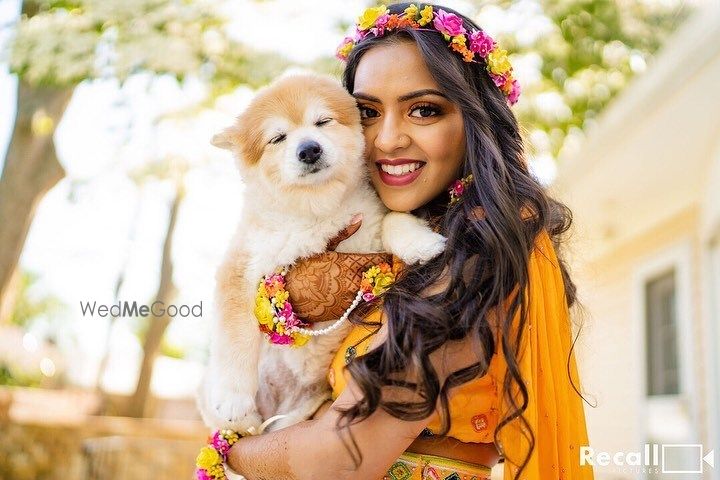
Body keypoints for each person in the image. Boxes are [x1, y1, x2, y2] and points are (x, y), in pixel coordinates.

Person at [217, 3, 594, 479]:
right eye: (368, 112)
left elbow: (335, 461)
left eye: (424, 110)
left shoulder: (473, 257)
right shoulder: (385, 241)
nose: (387, 140)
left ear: (474, 123)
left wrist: (228, 451)